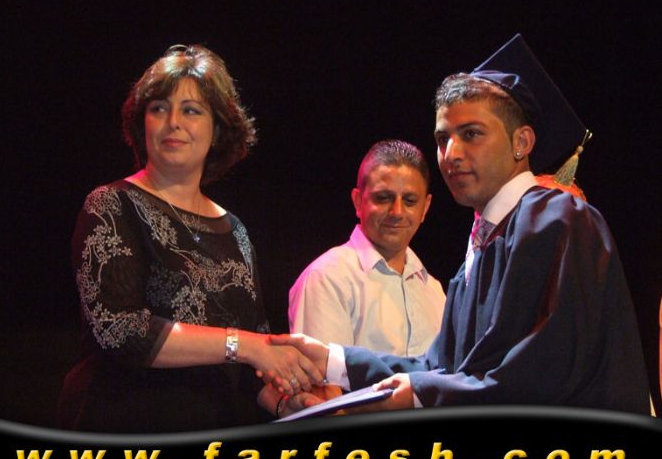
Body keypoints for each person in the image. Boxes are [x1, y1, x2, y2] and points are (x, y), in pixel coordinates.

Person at [270, 34, 650, 415]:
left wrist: (418, 393)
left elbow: (542, 375)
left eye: (471, 134)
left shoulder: (559, 221)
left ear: (521, 142)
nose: (450, 154)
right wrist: (332, 361)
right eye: (442, 138)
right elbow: (442, 370)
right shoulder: (478, 252)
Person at [57, 44, 323, 433]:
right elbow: (120, 330)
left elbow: (251, 363)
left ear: (218, 129)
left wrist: (285, 403)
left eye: (191, 110)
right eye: (159, 108)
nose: (173, 122)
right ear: (142, 124)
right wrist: (244, 345)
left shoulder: (235, 230)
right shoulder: (112, 205)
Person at [288, 139, 445, 357]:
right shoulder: (327, 278)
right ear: (358, 201)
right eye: (383, 198)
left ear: (425, 208)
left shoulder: (434, 291)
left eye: (409, 201)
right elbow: (322, 375)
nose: (397, 212)